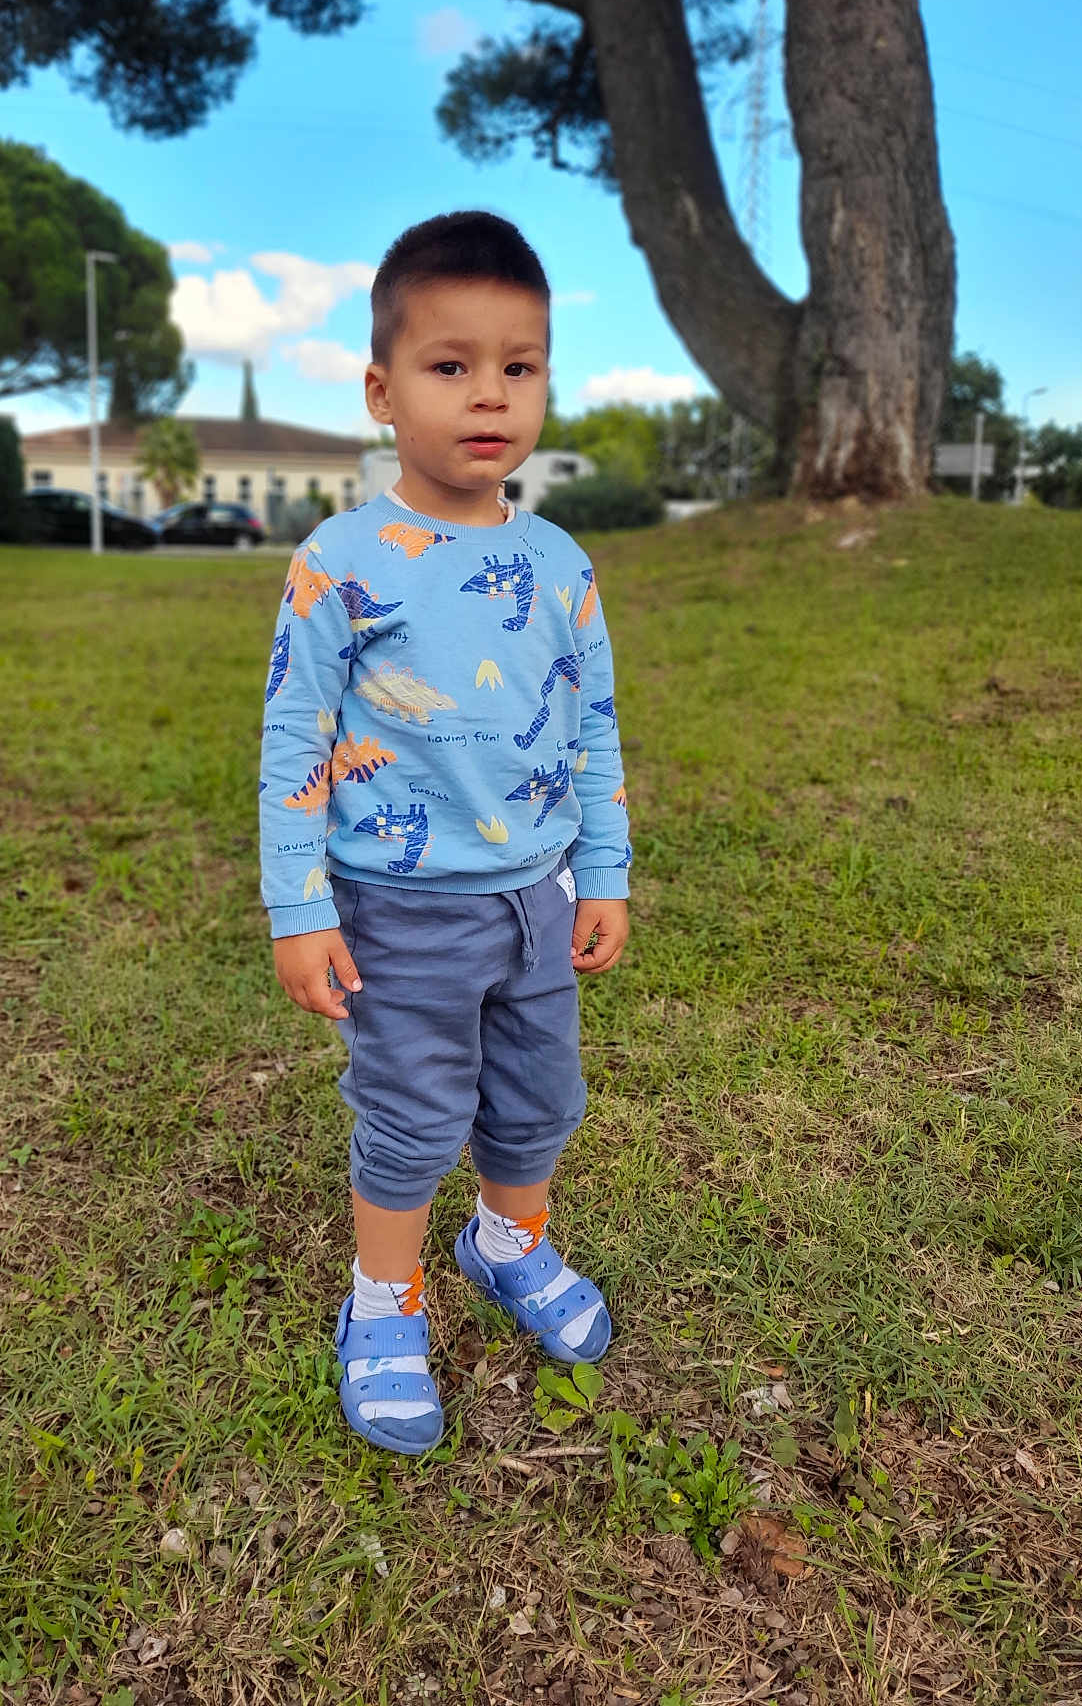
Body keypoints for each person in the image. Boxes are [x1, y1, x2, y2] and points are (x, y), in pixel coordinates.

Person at [258, 210, 631, 1457]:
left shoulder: (563, 564)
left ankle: (505, 1243)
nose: (491, 395)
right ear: (381, 389)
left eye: (519, 367)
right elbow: (295, 737)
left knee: (538, 1102)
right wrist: (300, 903)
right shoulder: (340, 561)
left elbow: (595, 731)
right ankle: (385, 1302)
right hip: (401, 911)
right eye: (451, 364)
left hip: (536, 895)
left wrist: (603, 872)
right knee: (413, 1116)